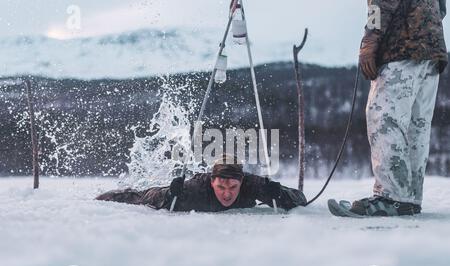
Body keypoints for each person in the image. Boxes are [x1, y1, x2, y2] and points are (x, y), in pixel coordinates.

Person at [351, 0, 448, 216]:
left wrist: (369, 40)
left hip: (401, 48)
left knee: (384, 118)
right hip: (431, 50)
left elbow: (379, 4)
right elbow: (441, 8)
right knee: (416, 126)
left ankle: (391, 196)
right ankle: (408, 199)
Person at [96, 155, 307, 212]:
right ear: (212, 181)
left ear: (241, 183)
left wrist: (279, 194)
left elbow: (300, 198)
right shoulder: (195, 190)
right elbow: (144, 196)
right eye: (221, 187)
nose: (227, 194)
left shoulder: (253, 184)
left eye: (233, 187)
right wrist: (169, 194)